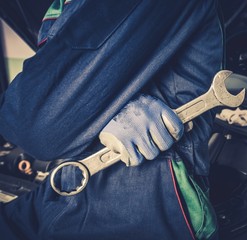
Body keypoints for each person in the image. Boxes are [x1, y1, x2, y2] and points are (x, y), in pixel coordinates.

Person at [0, 0, 223, 239]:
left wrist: (82, 112)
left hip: (143, 208)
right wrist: (110, 112)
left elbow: (34, 123)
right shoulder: (65, 6)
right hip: (67, 194)